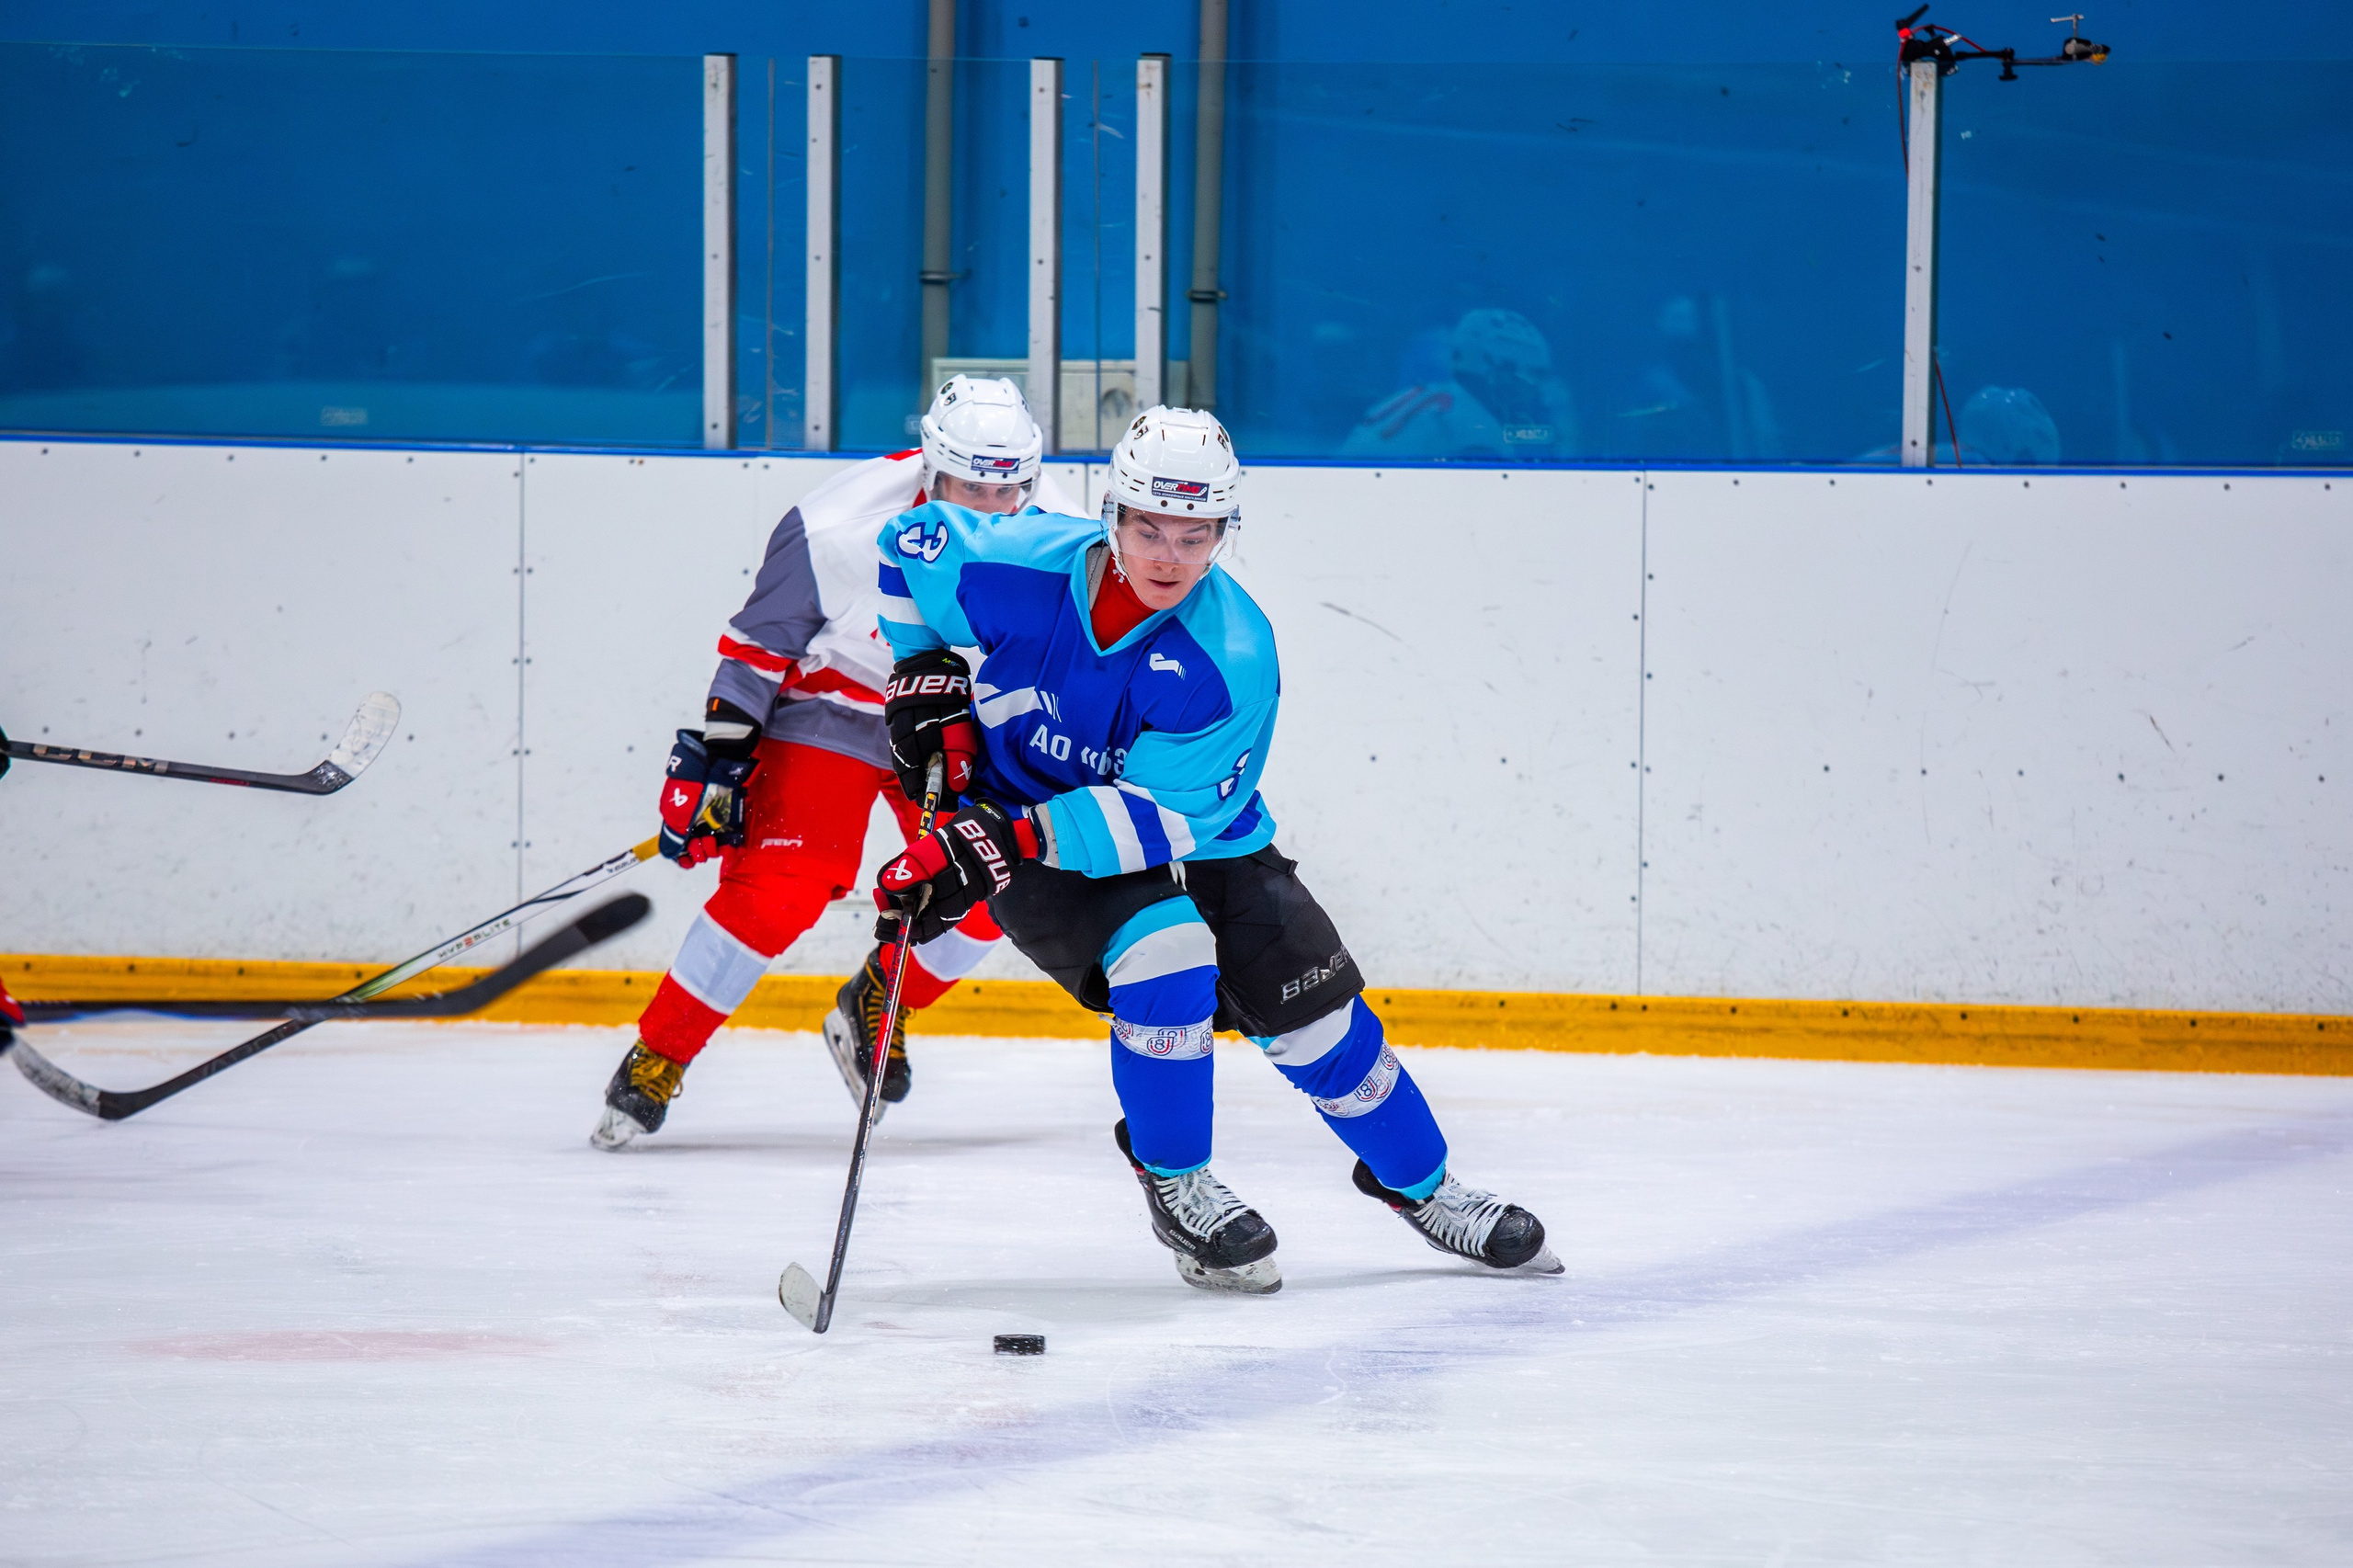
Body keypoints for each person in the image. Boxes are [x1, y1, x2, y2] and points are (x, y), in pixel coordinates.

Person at [866, 405, 1560, 1292]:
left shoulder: (1233, 653)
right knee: (1166, 954)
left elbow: (1165, 816)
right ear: (1109, 514)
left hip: (1172, 832)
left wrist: (1001, 839)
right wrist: (919, 670)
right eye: (1148, 528)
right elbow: (905, 542)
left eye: (1196, 536)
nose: (1167, 557)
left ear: (1226, 533)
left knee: (1321, 1028)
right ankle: (1178, 1180)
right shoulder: (1011, 560)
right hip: (1034, 839)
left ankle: (1423, 1186)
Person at [592, 376, 1080, 1150]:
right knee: (776, 891)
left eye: (1008, 489)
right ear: (929, 466)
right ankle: (660, 1053)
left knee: (1004, 884)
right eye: (967, 487)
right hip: (838, 708)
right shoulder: (834, 526)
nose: (990, 508)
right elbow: (758, 650)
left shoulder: (1067, 536)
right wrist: (719, 764)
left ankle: (880, 1000)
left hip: (965, 723)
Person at [1343, 308, 1577, 460]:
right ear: (1498, 370)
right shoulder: (1475, 426)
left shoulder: (1426, 396)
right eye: (1533, 374)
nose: (1536, 388)